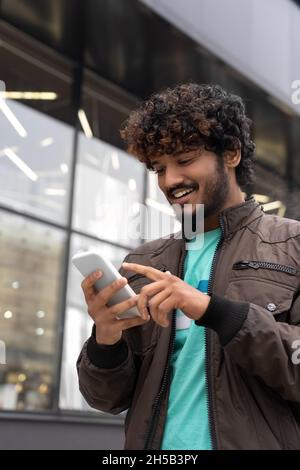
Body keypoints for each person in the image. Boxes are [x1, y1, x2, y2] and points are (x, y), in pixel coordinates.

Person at [77, 83, 300, 450]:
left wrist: (214, 310)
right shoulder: (144, 263)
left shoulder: (291, 246)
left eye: (184, 160)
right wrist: (105, 338)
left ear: (231, 153)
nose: (170, 181)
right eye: (159, 168)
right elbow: (107, 398)